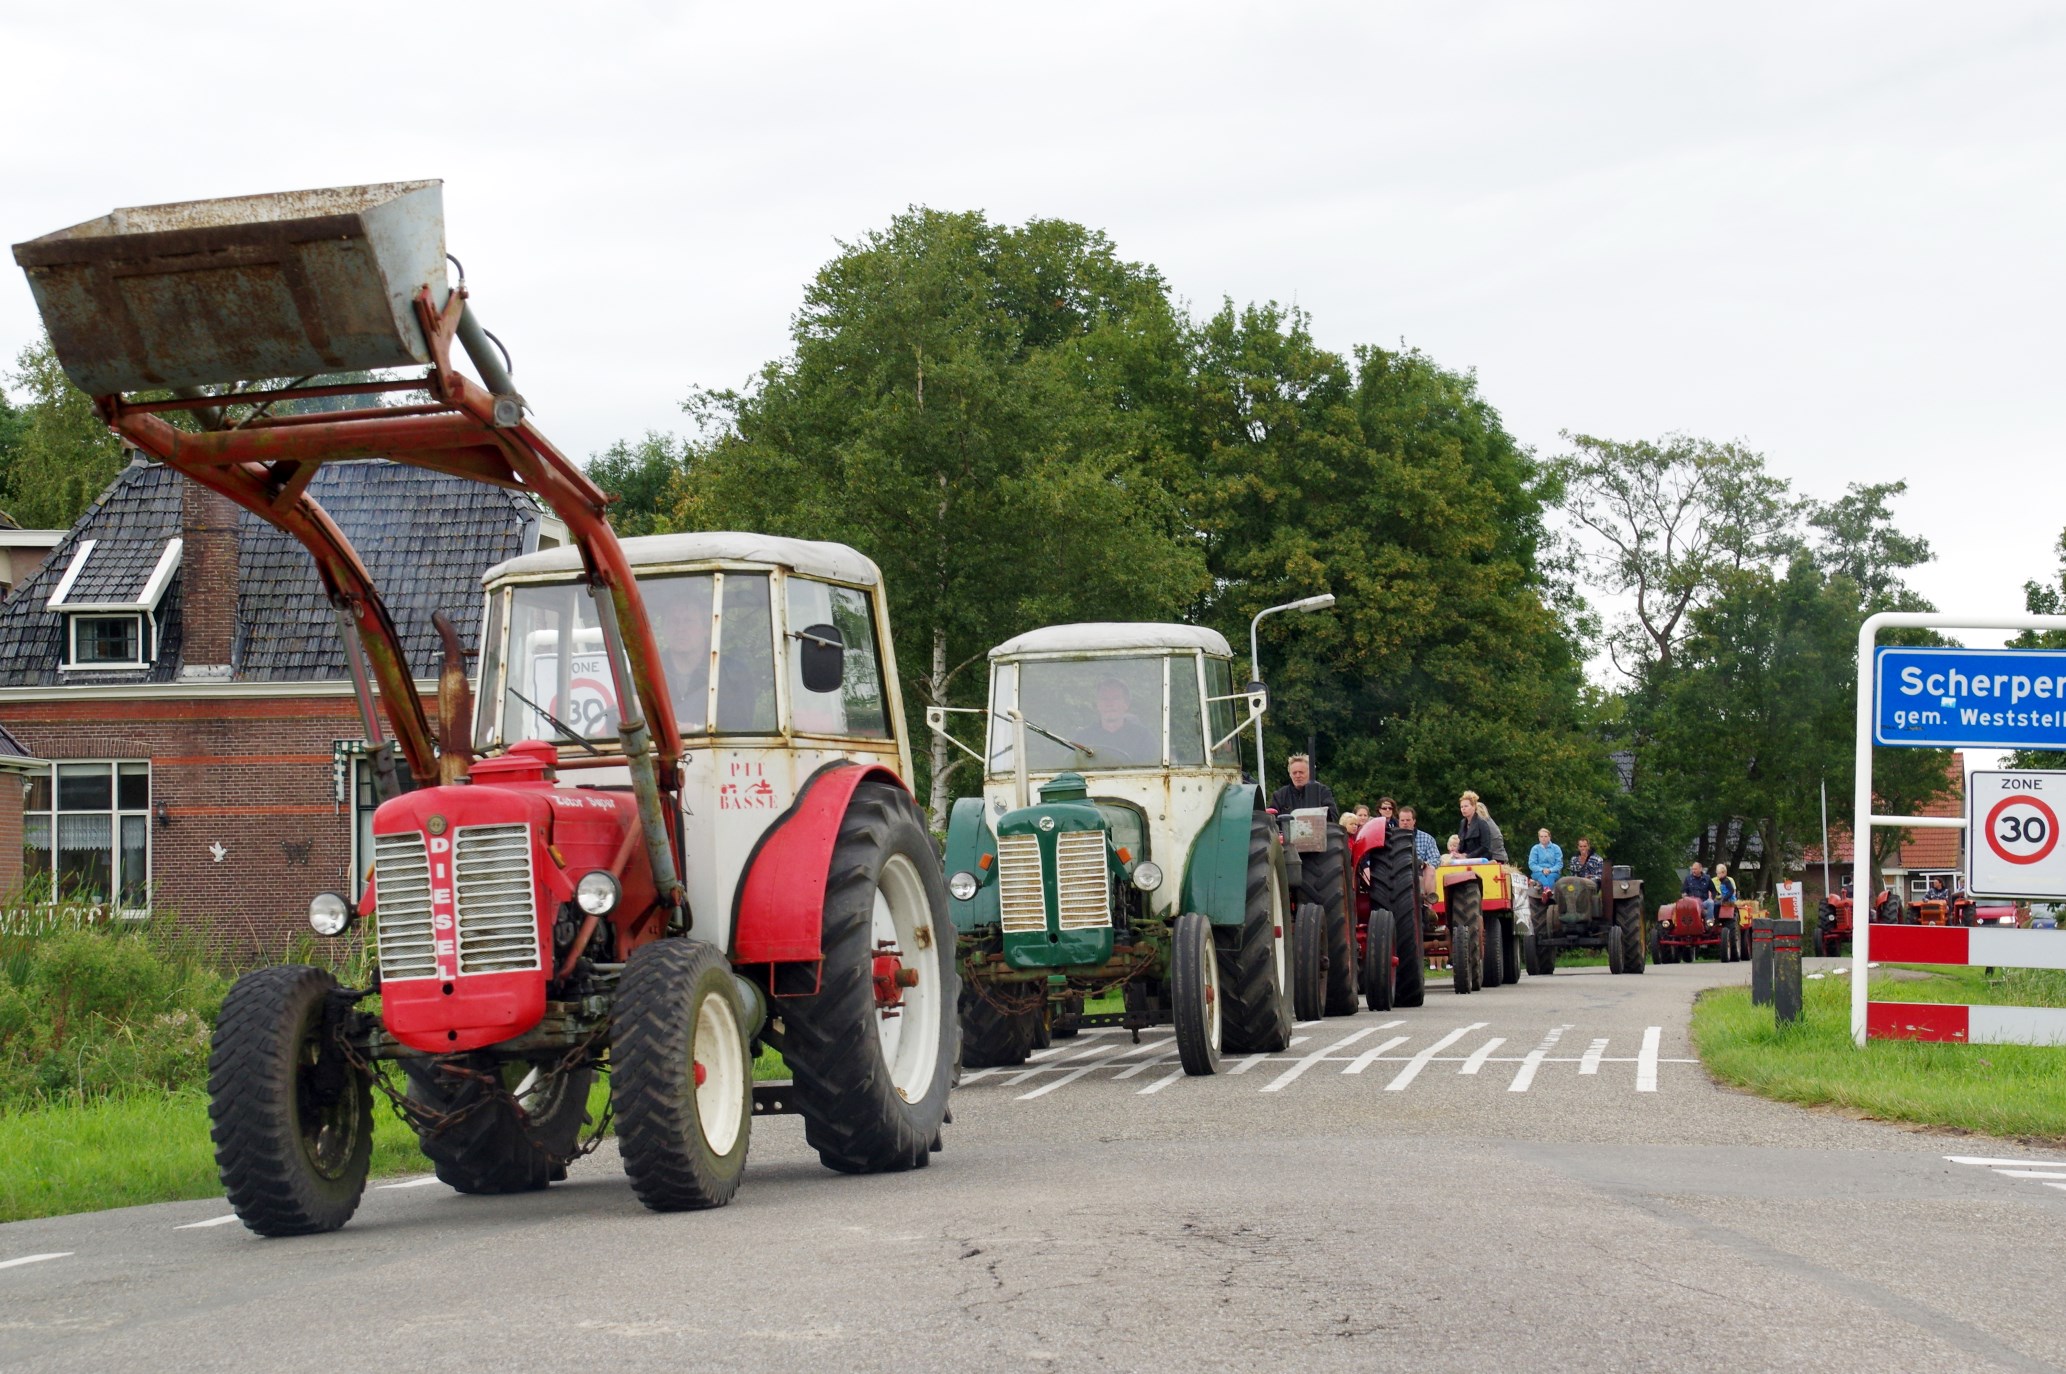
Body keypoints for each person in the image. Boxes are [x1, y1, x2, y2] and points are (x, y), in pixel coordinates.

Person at [1083, 678, 1159, 764]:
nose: (1109, 704)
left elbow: (1153, 771)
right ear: (1097, 704)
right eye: (1104, 699)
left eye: (1115, 698)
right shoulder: (1084, 737)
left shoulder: (1144, 738)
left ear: (1126, 704)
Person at [1270, 753, 1339, 822]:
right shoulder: (1279, 795)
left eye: (1301, 772)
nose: (1298, 776)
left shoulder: (1322, 792)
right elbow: (1272, 821)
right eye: (1294, 773)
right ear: (1290, 774)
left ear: (1310, 773)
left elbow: (1333, 818)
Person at [1398, 805, 1440, 870]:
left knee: (1430, 870)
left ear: (1414, 821)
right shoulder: (1392, 840)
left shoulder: (1427, 839)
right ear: (1398, 821)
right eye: (1402, 820)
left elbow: (1436, 859)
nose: (1405, 823)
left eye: (1408, 820)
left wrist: (1424, 864)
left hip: (1420, 872)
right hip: (1399, 872)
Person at [1456, 791, 1494, 859]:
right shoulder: (1462, 823)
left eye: (1466, 806)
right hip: (1466, 859)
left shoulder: (1482, 823)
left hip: (1481, 859)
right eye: (1461, 807)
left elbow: (1485, 847)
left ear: (1473, 807)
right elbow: (1462, 846)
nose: (1463, 809)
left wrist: (1468, 856)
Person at [1528, 828, 1563, 892]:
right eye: (1541, 836)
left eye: (1545, 836)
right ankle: (1547, 890)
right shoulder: (1535, 848)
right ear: (1539, 838)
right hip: (1538, 872)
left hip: (1553, 872)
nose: (1543, 838)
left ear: (1549, 837)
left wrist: (1550, 870)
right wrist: (1542, 869)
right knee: (1541, 876)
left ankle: (1547, 893)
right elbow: (1532, 864)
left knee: (1550, 877)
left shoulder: (1556, 848)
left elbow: (1559, 864)